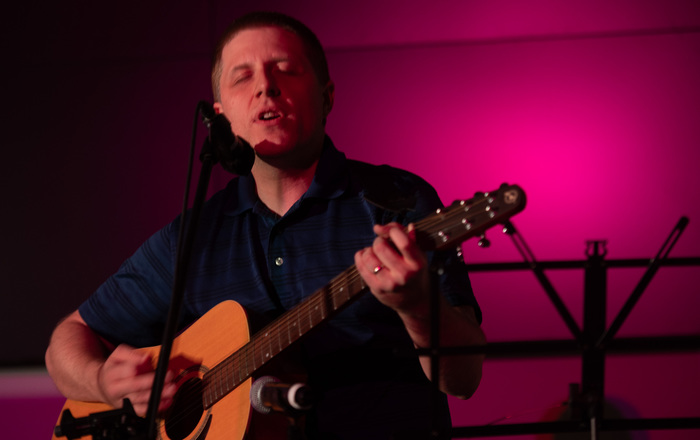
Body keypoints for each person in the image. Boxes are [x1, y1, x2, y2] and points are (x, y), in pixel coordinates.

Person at [45, 11, 486, 440]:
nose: (265, 86)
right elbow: (69, 338)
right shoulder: (196, 237)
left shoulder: (396, 201)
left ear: (327, 96)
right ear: (220, 118)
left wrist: (417, 305)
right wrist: (101, 381)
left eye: (286, 70)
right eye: (243, 77)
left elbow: (463, 378)